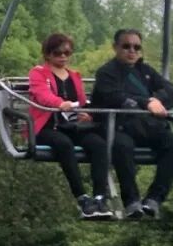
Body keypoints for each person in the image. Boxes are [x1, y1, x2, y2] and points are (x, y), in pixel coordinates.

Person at [92, 28, 173, 218]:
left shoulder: (145, 71)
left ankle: (154, 198)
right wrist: (146, 102)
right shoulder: (107, 73)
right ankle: (131, 201)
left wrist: (157, 100)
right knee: (122, 146)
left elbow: (170, 91)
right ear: (115, 47)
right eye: (126, 46)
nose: (132, 51)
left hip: (146, 126)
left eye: (136, 47)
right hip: (119, 126)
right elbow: (113, 96)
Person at [28, 33, 112, 218]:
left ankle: (100, 197)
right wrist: (59, 103)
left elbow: (81, 101)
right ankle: (82, 198)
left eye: (67, 52)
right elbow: (41, 94)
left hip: (72, 126)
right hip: (47, 127)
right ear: (48, 54)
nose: (63, 56)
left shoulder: (74, 76)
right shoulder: (39, 73)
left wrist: (87, 114)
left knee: (98, 145)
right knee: (64, 145)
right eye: (58, 53)